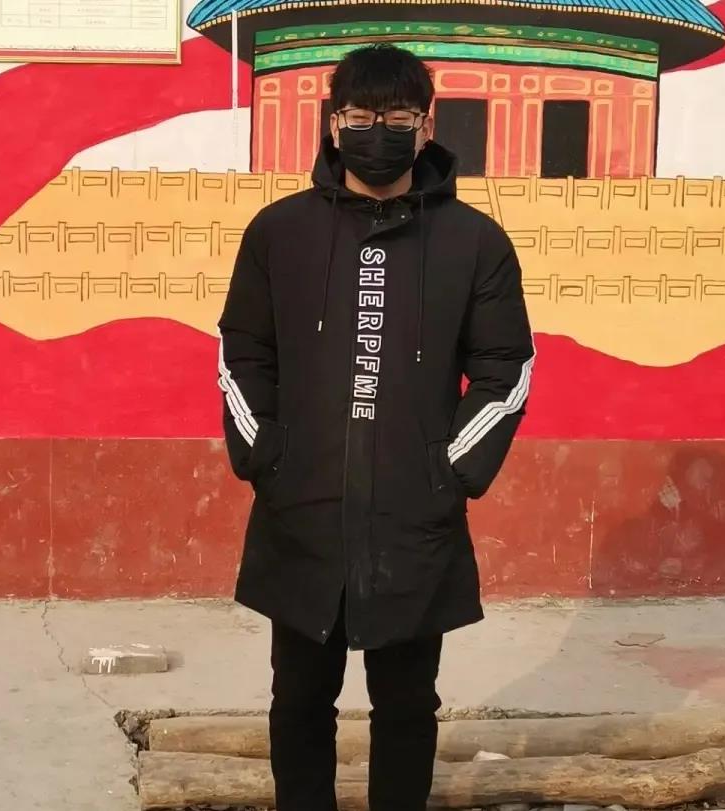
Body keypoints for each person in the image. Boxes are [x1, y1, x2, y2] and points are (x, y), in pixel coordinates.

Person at [216, 44, 534, 810]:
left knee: (407, 705)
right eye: (361, 116)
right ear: (334, 124)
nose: (378, 132)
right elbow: (242, 350)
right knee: (299, 700)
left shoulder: (474, 243)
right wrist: (265, 452)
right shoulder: (278, 233)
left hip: (412, 517)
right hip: (303, 510)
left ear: (426, 127)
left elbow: (506, 366)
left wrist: (449, 469)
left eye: (397, 117)